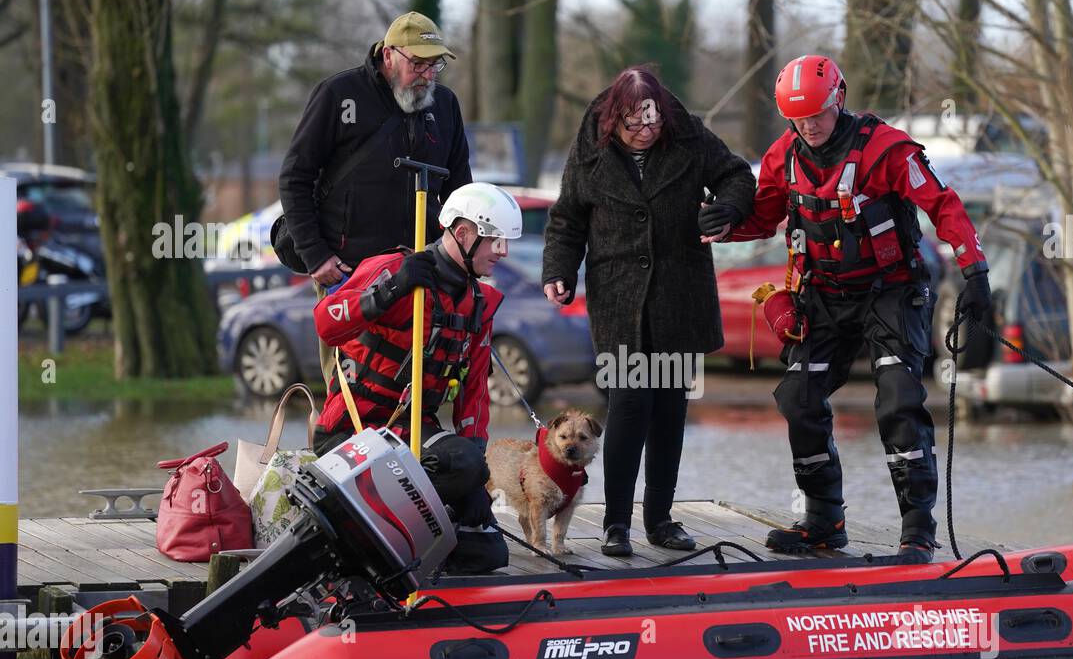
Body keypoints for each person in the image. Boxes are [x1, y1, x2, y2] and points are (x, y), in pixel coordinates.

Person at [725, 55, 992, 564]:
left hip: (890, 292)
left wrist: (974, 270)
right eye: (799, 121)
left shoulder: (885, 150)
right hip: (823, 296)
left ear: (839, 99)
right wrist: (721, 221)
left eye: (818, 116)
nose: (810, 127)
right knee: (799, 399)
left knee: (896, 401)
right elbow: (762, 218)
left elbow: (943, 205)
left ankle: (917, 530)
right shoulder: (785, 156)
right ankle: (824, 522)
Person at [542, 66, 756, 557]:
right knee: (629, 406)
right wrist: (558, 269)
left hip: (680, 298)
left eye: (653, 124)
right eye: (634, 126)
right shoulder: (590, 148)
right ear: (614, 119)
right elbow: (568, 217)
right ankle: (616, 524)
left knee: (669, 412)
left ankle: (659, 521)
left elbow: (738, 177)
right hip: (619, 300)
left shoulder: (689, 136)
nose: (645, 132)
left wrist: (726, 210)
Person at [312, 182, 522, 572]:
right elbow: (327, 324)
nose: (503, 252)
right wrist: (391, 291)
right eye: (495, 240)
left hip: (412, 438)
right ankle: (365, 533)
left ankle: (398, 541)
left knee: (488, 552)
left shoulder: (478, 304)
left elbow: (474, 391)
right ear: (462, 234)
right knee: (460, 464)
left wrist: (476, 477)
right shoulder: (392, 270)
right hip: (352, 433)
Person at [280, 11, 473, 382]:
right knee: (346, 388)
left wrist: (462, 258)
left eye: (435, 66)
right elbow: (294, 177)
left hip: (419, 273)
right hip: (348, 273)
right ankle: (327, 440)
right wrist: (316, 256)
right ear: (388, 55)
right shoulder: (338, 94)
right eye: (418, 63)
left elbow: (459, 192)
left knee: (405, 388)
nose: (427, 75)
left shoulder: (445, 105)